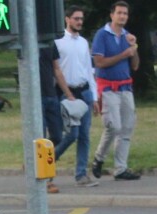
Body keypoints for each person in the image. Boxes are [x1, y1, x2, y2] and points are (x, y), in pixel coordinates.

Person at [90, 1, 142, 181]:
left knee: (127, 128)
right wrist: (124, 54)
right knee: (113, 126)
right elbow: (99, 63)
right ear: (112, 15)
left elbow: (135, 65)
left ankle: (120, 168)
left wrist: (134, 49)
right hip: (108, 87)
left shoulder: (127, 36)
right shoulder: (102, 35)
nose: (122, 17)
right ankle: (99, 158)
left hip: (125, 87)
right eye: (119, 13)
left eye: (125, 14)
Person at [55, 6, 98, 187]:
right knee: (71, 134)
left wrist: (94, 97)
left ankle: (81, 174)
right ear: (67, 19)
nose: (79, 22)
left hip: (84, 91)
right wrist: (67, 93)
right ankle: (46, 163)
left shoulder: (83, 43)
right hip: (67, 93)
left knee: (84, 136)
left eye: (81, 19)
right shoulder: (58, 42)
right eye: (76, 18)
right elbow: (56, 70)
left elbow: (89, 70)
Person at [39, 44, 74, 194]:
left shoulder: (49, 41)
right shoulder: (25, 38)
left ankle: (33, 162)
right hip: (35, 96)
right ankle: (47, 180)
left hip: (51, 95)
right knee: (40, 140)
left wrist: (68, 94)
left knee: (57, 137)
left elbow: (56, 69)